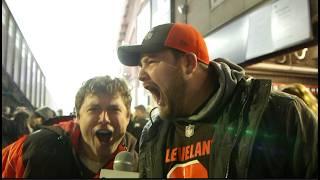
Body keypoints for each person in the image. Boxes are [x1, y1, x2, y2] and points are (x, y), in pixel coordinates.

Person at [117, 23, 318, 178]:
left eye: (151, 61)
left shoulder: (282, 114)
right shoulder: (153, 133)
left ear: (188, 63)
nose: (141, 74)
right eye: (141, 65)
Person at [2, 75, 138, 178]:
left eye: (114, 109)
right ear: (78, 117)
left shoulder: (140, 163)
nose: (104, 119)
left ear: (128, 118)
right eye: (94, 109)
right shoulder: (37, 149)